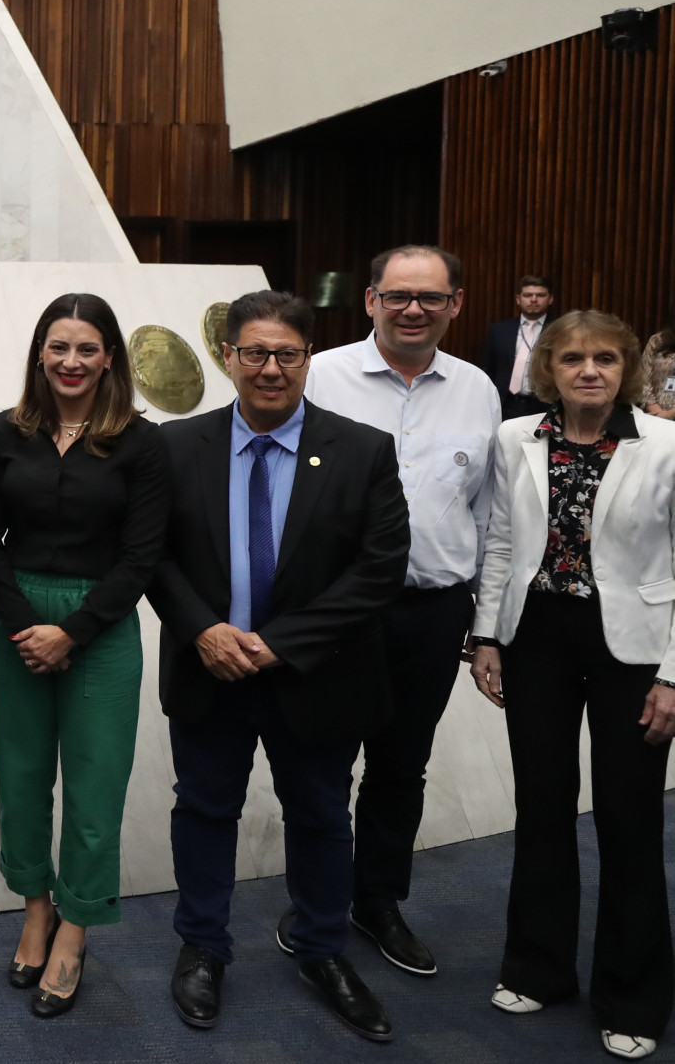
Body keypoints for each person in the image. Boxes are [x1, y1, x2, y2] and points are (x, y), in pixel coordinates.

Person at [150, 290, 409, 1043]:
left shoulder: (361, 448)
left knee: (322, 815)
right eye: (254, 353)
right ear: (227, 356)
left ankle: (323, 949)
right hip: (208, 670)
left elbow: (378, 568)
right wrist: (201, 629)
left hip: (316, 673)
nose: (270, 368)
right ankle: (202, 946)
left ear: (307, 358)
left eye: (286, 353)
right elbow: (149, 555)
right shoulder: (173, 446)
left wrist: (278, 642)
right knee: (202, 810)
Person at [468, 311, 675, 1061]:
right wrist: (484, 634)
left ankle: (633, 992)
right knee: (542, 808)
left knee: (627, 822)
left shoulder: (666, 444)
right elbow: (498, 537)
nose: (588, 371)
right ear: (546, 369)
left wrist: (673, 677)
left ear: (625, 368)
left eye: (603, 359)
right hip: (536, 640)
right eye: (571, 359)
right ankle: (538, 966)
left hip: (635, 649)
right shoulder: (513, 438)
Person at [0, 293, 169, 1018]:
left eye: (86, 348)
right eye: (58, 347)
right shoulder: (5, 430)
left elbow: (142, 556)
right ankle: (34, 908)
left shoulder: (141, 442)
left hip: (101, 628)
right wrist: (24, 624)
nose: (71, 361)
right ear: (38, 353)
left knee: (93, 789)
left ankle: (75, 928)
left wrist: (71, 630)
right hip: (16, 621)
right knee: (20, 780)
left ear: (109, 355)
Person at [302, 246, 499, 976]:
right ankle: (318, 897)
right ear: (370, 300)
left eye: (429, 297)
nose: (412, 308)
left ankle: (377, 899)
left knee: (400, 765)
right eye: (398, 295)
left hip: (432, 610)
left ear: (454, 303)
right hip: (337, 612)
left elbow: (486, 511)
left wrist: (483, 622)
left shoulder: (477, 389)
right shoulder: (320, 375)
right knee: (323, 762)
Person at [481, 275, 555, 421]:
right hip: (505, 404)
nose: (533, 299)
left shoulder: (559, 330)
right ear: (518, 299)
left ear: (550, 299)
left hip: (543, 405)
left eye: (540, 295)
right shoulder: (499, 330)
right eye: (527, 295)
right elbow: (487, 369)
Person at [642, 306, 675, 419]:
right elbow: (643, 378)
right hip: (653, 416)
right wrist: (654, 408)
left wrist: (671, 413)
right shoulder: (657, 340)